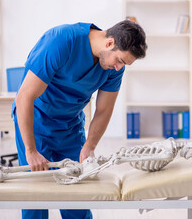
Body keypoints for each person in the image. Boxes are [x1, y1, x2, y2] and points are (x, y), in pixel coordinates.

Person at [12, 20, 147, 219]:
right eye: (119, 61)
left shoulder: (113, 67)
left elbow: (103, 110)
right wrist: (30, 151)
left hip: (70, 127)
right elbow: (25, 96)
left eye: (124, 64)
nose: (119, 68)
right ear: (109, 43)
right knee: (36, 197)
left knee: (77, 196)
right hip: (37, 123)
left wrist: (90, 146)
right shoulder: (61, 41)